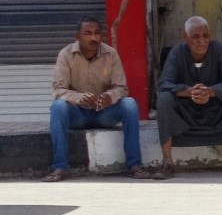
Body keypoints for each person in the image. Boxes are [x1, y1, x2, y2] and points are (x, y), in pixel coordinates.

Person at [154, 16, 222, 179]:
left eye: (205, 36)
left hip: (215, 109)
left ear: (210, 35)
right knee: (164, 99)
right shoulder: (177, 52)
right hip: (187, 110)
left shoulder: (218, 49)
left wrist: (210, 92)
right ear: (184, 37)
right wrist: (190, 91)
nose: (201, 41)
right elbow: (164, 84)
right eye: (195, 37)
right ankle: (167, 163)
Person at [43, 17, 149, 181]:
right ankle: (59, 168)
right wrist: (79, 98)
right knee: (57, 107)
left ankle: (134, 165)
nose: (94, 38)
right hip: (78, 114)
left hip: (104, 113)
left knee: (130, 104)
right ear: (77, 36)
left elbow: (121, 88)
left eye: (97, 33)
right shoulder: (66, 54)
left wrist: (109, 96)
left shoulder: (111, 54)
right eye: (88, 33)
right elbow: (58, 89)